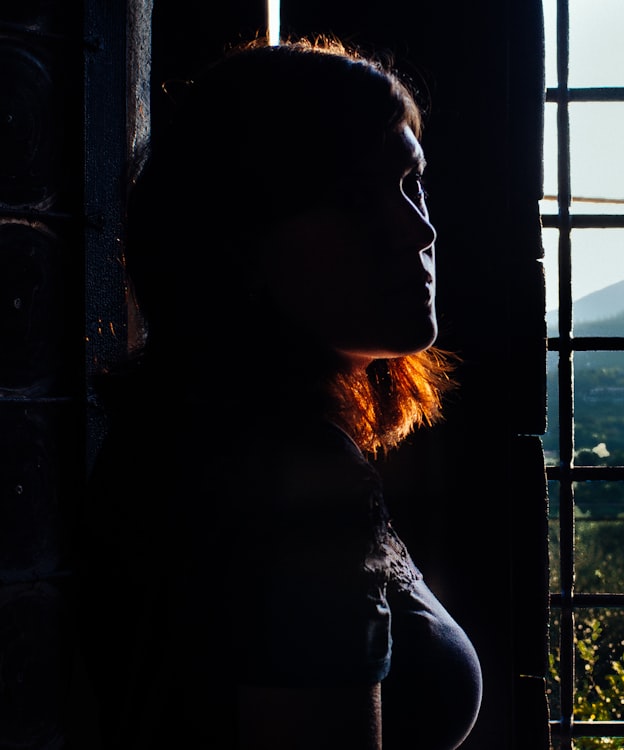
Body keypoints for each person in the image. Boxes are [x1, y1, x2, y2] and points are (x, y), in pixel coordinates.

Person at [77, 34, 482, 750]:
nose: (417, 228)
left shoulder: (191, 433)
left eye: (412, 184)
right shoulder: (295, 476)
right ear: (238, 237)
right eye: (357, 201)